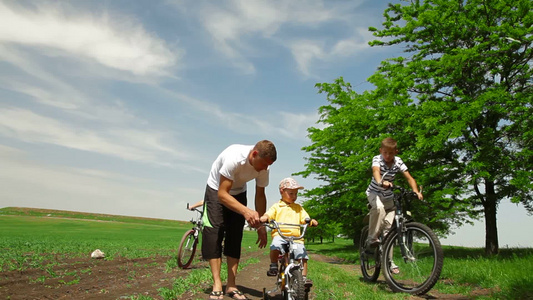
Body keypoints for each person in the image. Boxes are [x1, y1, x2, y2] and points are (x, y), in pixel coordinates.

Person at [202, 140, 277, 300]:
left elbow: (260, 195)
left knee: (235, 235)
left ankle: (231, 285)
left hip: (239, 191)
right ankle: (216, 284)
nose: (265, 169)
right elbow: (222, 194)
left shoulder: (265, 166)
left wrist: (261, 226)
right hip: (217, 190)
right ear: (254, 154)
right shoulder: (234, 158)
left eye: (268, 165)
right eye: (263, 164)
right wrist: (246, 211)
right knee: (214, 234)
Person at [365, 137, 423, 274]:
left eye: (391, 153)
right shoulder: (377, 159)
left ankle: (389, 261)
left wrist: (416, 191)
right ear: (381, 151)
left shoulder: (398, 162)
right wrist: (381, 182)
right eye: (385, 153)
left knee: (388, 232)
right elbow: (375, 171)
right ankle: (371, 238)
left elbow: (409, 177)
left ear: (396, 152)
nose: (387, 156)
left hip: (389, 197)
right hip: (375, 193)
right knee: (378, 209)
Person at [259, 177, 318, 287]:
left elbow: (305, 218)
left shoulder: (298, 208)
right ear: (282, 191)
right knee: (275, 246)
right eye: (291, 193)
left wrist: (311, 221)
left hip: (296, 237)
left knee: (303, 256)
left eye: (296, 194)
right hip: (280, 235)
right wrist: (265, 217)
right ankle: (273, 265)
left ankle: (303, 278)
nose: (294, 197)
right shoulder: (277, 206)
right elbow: (269, 214)